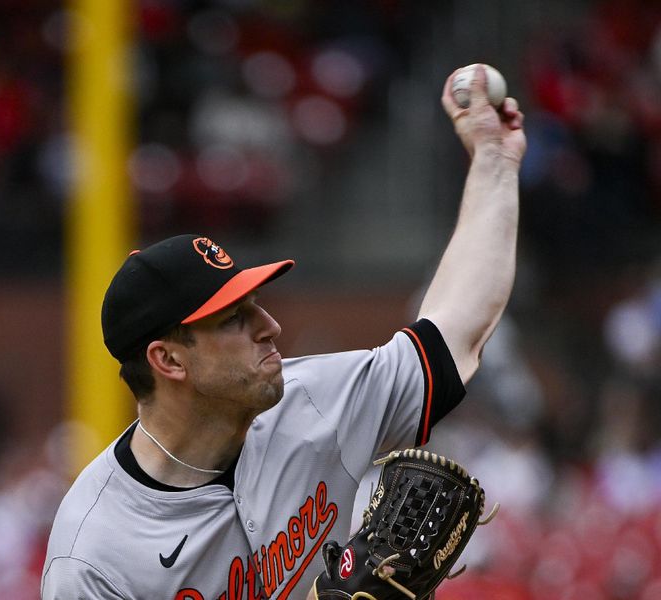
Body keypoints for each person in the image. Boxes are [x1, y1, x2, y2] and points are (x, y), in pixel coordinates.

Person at [41, 64, 526, 599]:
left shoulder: (314, 400)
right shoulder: (93, 554)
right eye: (234, 319)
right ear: (169, 360)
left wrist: (494, 160)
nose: (269, 326)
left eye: (257, 303)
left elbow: (456, 330)